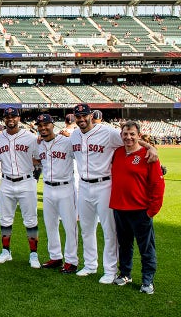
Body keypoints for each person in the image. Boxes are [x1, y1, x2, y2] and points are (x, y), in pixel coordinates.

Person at [70, 104, 157, 284]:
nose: (81, 119)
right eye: (78, 117)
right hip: (84, 186)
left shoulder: (108, 133)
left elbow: (131, 140)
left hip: (104, 185)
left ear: (91, 116)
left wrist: (150, 147)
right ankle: (90, 264)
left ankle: (110, 270)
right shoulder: (74, 135)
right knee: (86, 229)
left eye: (84, 116)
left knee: (109, 231)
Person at [110, 121, 164, 294]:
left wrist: (151, 211)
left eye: (132, 134)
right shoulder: (117, 152)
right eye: (125, 134)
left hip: (140, 210)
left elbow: (157, 185)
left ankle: (148, 281)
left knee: (146, 248)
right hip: (120, 208)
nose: (128, 137)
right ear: (121, 136)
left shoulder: (149, 156)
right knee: (124, 245)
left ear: (139, 136)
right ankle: (125, 274)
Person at [0, 107, 41, 268]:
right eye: (7, 116)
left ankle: (33, 254)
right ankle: (6, 252)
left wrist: (35, 178)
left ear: (19, 118)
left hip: (26, 181)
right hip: (6, 181)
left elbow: (38, 159)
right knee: (5, 219)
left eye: (13, 116)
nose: (10, 119)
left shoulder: (30, 138)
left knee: (31, 219)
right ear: (4, 119)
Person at [34, 113, 78, 273]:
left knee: (69, 225)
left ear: (53, 124)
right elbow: (36, 160)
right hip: (48, 188)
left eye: (46, 125)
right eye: (40, 126)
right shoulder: (39, 144)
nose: (43, 128)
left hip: (66, 187)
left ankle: (72, 261)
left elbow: (80, 156)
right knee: (50, 224)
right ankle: (56, 257)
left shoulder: (67, 142)